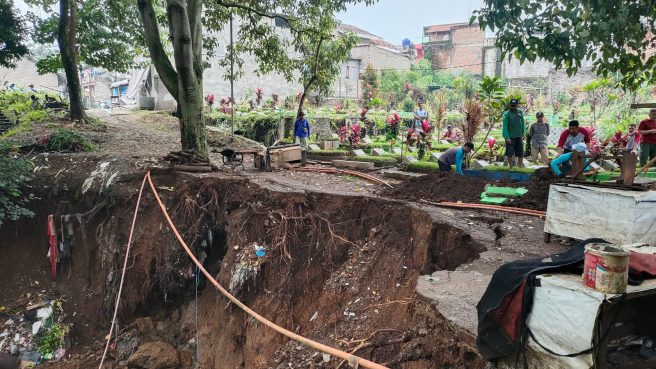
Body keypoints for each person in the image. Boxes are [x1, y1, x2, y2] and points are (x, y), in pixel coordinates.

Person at [502, 99, 525, 169]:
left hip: (518, 136)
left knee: (520, 152)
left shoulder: (520, 112)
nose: (513, 107)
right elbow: (505, 126)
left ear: (517, 105)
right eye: (512, 105)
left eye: (515, 106)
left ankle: (520, 166)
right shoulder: (506, 114)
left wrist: (523, 134)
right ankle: (511, 167)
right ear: (510, 105)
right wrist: (506, 137)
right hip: (510, 137)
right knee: (510, 152)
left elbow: (523, 123)